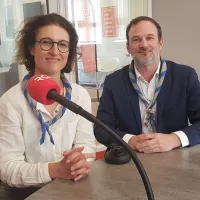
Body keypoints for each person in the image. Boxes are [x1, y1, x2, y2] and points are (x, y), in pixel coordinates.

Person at [0, 13, 96, 199]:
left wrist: (80, 162)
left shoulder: (79, 95)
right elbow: (6, 168)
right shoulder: (10, 102)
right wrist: (54, 170)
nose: (55, 51)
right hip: (27, 193)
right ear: (31, 48)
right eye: (46, 42)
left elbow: (87, 145)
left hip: (75, 187)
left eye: (62, 44)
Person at [94, 16, 200, 154]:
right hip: (130, 159)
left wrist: (174, 139)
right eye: (137, 39)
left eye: (149, 38)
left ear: (160, 43)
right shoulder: (114, 82)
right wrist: (129, 141)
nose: (144, 45)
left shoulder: (185, 76)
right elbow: (101, 128)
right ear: (128, 47)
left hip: (175, 156)